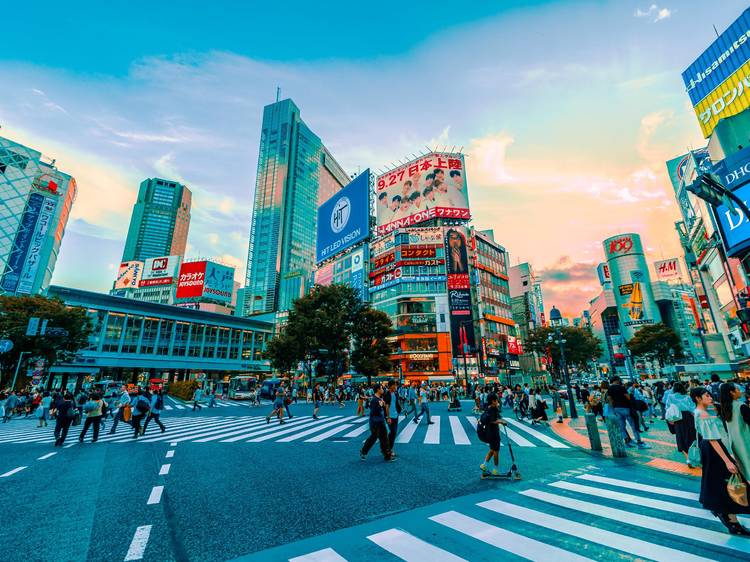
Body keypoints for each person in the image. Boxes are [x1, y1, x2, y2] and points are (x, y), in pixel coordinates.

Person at [691, 386, 750, 535]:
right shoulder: (703, 414)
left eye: (710, 395)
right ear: (698, 398)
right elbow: (713, 439)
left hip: (711, 450)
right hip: (715, 450)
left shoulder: (701, 411)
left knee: (722, 485)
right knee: (729, 483)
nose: (710, 397)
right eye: (706, 395)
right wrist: (728, 460)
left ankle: (729, 517)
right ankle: (730, 519)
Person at [608, 376, 650, 449]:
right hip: (626, 408)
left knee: (622, 426)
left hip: (617, 408)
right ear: (616, 380)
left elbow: (609, 399)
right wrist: (630, 395)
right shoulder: (621, 387)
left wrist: (613, 409)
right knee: (633, 425)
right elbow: (628, 397)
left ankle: (627, 442)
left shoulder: (610, 388)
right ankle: (639, 442)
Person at [720, 382, 750, 482]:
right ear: (732, 392)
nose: (740, 391)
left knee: (745, 466)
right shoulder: (741, 406)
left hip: (736, 444)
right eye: (737, 389)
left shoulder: (725, 408)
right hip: (747, 440)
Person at [665, 382, 697, 467]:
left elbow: (667, 408)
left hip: (678, 418)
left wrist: (670, 419)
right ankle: (694, 456)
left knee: (681, 438)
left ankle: (688, 459)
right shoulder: (687, 397)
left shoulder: (670, 397)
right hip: (688, 417)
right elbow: (692, 408)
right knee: (691, 437)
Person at [359, 384, 395, 462]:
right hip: (375, 422)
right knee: (373, 438)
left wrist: (384, 409)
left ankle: (387, 455)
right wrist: (380, 406)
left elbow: (382, 410)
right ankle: (364, 451)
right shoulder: (374, 400)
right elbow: (373, 411)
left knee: (384, 438)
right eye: (381, 388)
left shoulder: (380, 398)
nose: (383, 390)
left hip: (381, 421)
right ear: (378, 390)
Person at [480, 393, 507, 476]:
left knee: (492, 449)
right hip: (493, 432)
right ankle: (495, 469)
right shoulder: (492, 409)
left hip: (489, 431)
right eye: (496, 400)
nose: (498, 401)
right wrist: (501, 422)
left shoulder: (488, 408)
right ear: (493, 401)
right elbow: (492, 420)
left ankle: (484, 465)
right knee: (496, 451)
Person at [384, 379, 401, 452]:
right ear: (391, 386)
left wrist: (399, 410)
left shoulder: (396, 393)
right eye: (394, 384)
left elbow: (396, 403)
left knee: (394, 433)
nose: (396, 386)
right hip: (390, 416)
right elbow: (386, 406)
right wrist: (387, 417)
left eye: (396, 385)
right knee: (393, 432)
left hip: (395, 415)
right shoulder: (387, 394)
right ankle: (388, 448)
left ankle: (389, 448)